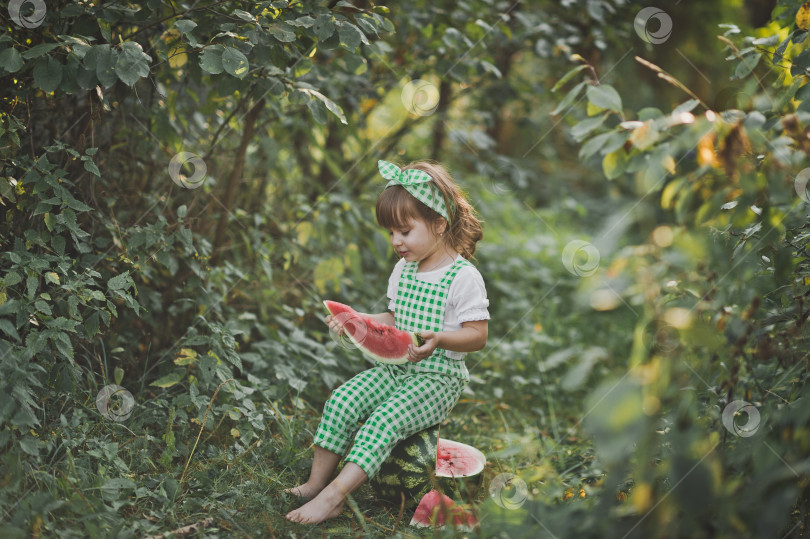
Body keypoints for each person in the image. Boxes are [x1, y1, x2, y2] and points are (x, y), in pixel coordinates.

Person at [285, 159, 490, 524]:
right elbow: (394, 323)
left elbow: (478, 335)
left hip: (436, 381)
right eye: (391, 233)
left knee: (382, 422)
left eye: (405, 231)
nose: (396, 241)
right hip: (395, 371)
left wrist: (440, 338)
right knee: (342, 401)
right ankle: (315, 484)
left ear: (439, 225)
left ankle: (334, 497)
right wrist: (356, 321)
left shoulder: (463, 277)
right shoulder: (403, 269)